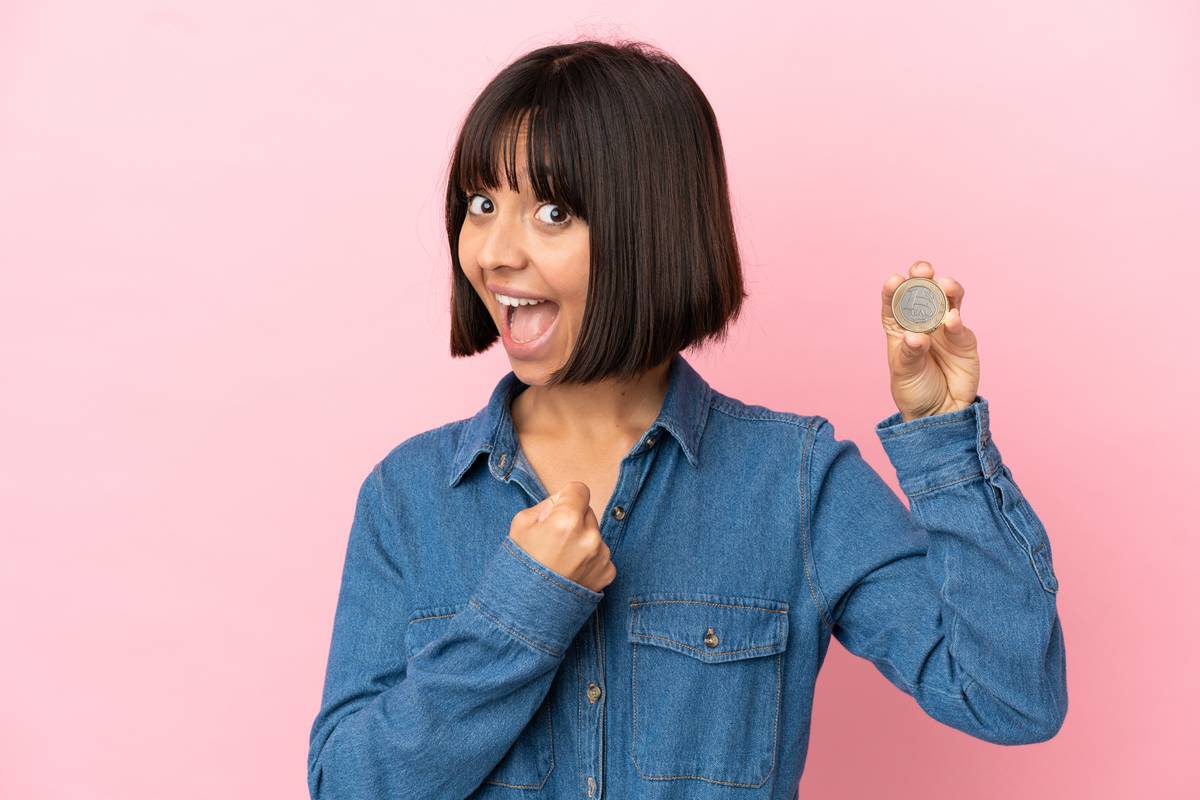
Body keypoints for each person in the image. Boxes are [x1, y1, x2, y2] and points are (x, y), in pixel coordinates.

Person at [306, 39, 1067, 800]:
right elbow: (346, 786)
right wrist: (521, 608)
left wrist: (944, 441)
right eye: (481, 205)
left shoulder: (796, 482)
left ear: (652, 228)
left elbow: (1009, 697)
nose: (495, 253)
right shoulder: (408, 497)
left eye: (552, 212)